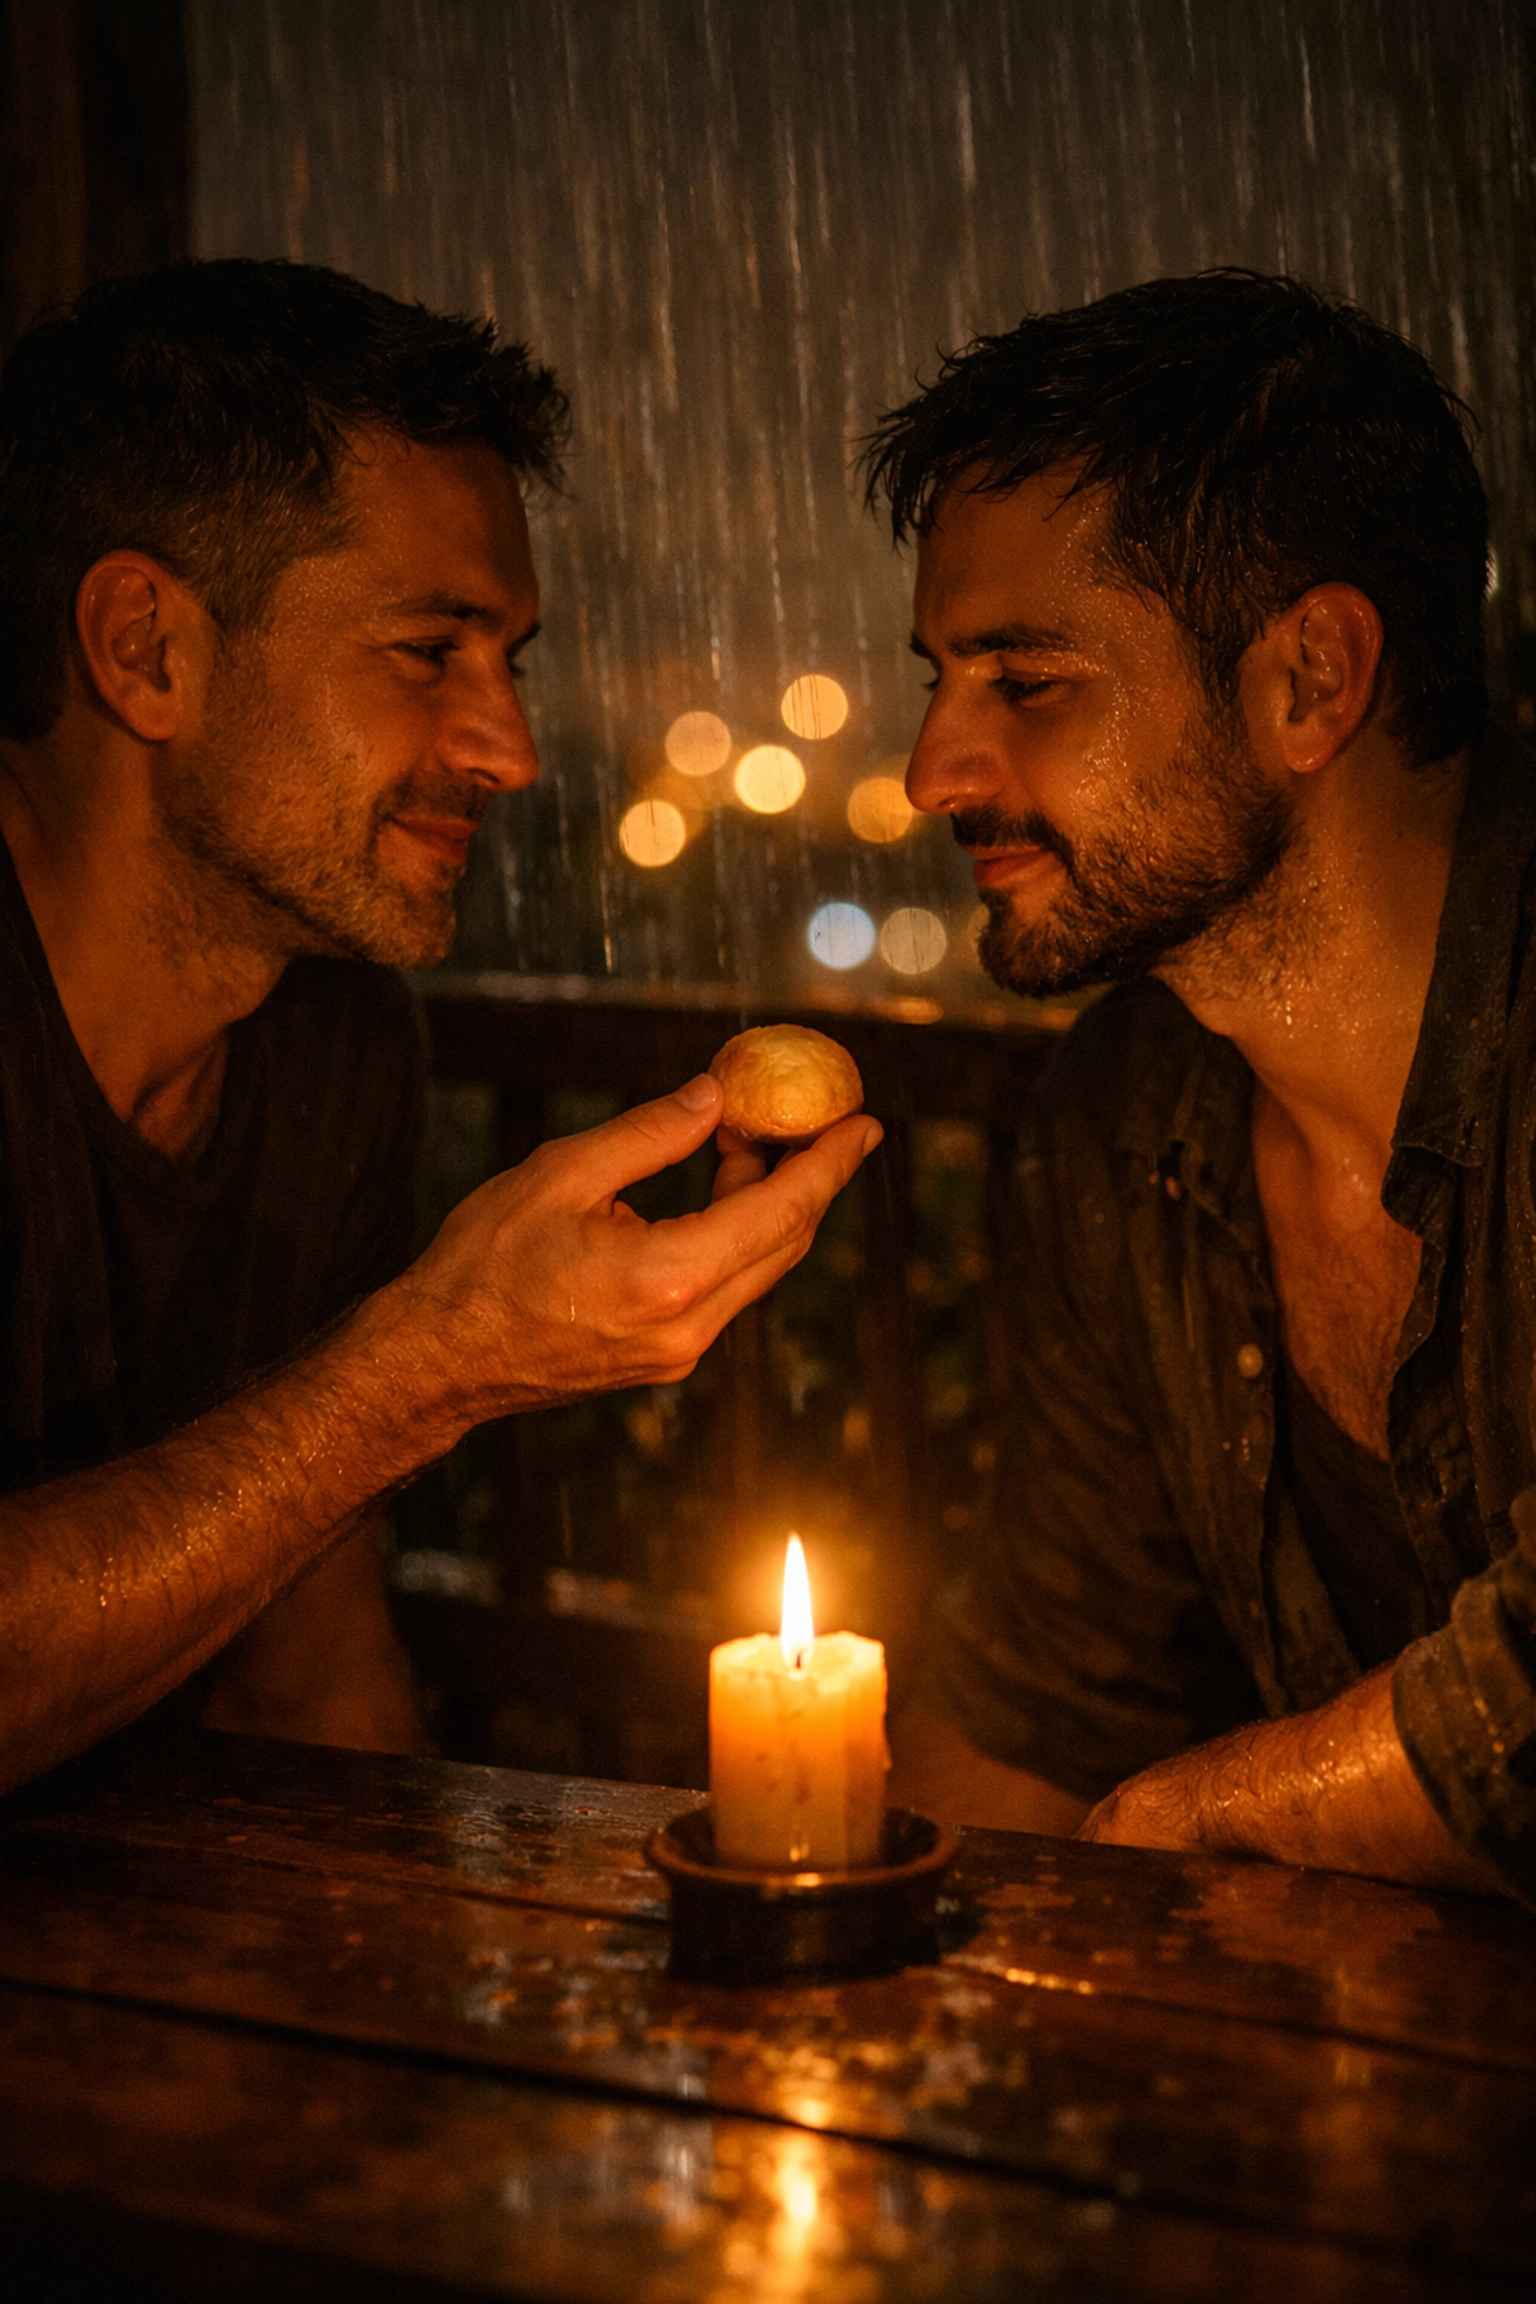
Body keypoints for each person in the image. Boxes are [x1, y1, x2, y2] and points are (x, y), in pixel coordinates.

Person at [0, 259, 879, 1794]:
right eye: (429, 652)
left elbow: (306, 1663)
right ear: (146, 648)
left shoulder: (335, 1041)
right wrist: (435, 1361)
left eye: (512, 664)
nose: (511, 750)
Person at [871, 269, 1533, 1904]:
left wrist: (1198, 1815)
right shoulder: (1127, 1120)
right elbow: (1047, 1701)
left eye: (1026, 681)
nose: (934, 772)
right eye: (939, 680)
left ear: (1311, 678)